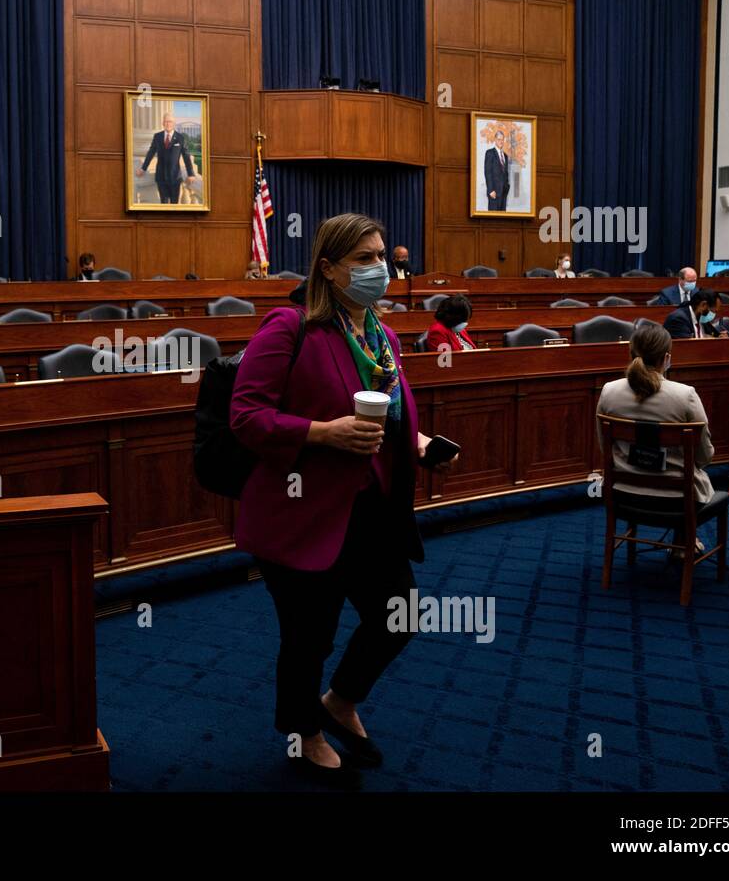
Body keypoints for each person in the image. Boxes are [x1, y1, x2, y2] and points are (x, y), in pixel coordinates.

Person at [229, 212, 457, 788]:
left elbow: (390, 414)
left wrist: (423, 443)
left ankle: (341, 700)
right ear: (327, 269)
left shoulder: (377, 333)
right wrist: (322, 432)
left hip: (371, 509)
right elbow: (246, 416)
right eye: (363, 259)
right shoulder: (289, 327)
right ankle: (303, 733)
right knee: (310, 635)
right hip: (301, 510)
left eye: (380, 255)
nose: (378, 268)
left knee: (397, 617)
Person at [596, 324, 714, 557]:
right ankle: (683, 541)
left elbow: (604, 446)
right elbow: (704, 456)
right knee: (692, 475)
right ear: (667, 358)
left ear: (630, 355)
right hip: (677, 500)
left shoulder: (609, 391)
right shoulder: (685, 395)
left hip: (623, 493)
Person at [136, 113, 196, 204]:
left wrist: (191, 173)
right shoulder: (157, 136)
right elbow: (150, 153)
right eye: (166, 122)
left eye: (170, 122)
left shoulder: (180, 138)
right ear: (163, 123)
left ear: (174, 123)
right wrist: (143, 168)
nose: (168, 124)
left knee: (174, 204)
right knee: (163, 203)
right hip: (161, 177)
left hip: (175, 177)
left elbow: (186, 156)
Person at [483, 130, 511, 211]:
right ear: (495, 140)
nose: (501, 141)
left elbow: (505, 173)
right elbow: (487, 172)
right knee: (493, 219)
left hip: (504, 192)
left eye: (502, 139)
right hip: (494, 193)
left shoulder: (505, 156)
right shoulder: (490, 153)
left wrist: (507, 187)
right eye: (499, 139)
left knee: (502, 219)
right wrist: (490, 190)